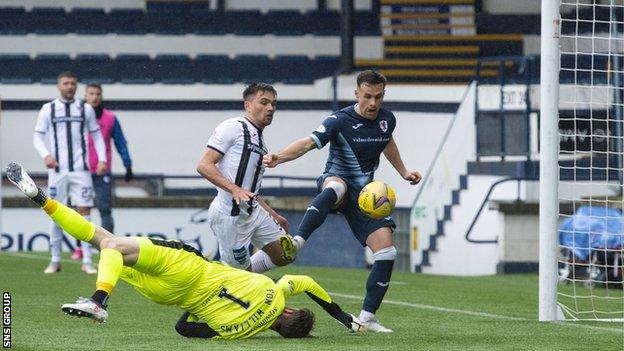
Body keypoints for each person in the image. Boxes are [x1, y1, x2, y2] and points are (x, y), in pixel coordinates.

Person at [6, 162, 364, 339]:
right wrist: (197, 306)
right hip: (169, 295)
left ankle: (99, 299)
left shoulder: (275, 291)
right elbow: (185, 329)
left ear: (289, 313)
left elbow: (305, 280)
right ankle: (42, 199)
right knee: (105, 244)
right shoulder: (236, 331)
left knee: (109, 243)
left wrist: (341, 316)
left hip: (189, 268)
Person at [263, 70, 422, 333]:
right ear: (356, 93)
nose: (373, 103)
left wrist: (403, 171)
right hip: (335, 182)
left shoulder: (386, 120)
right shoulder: (339, 120)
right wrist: (279, 157)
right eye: (368, 96)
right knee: (337, 186)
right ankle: (297, 242)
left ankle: (368, 318)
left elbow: (387, 142)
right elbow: (307, 143)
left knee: (387, 252)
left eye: (378, 97)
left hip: (365, 197)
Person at [196, 82, 297, 273]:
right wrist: (234, 189)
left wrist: (273, 214)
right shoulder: (233, 127)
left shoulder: (260, 142)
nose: (270, 108)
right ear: (247, 105)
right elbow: (204, 165)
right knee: (241, 280)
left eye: (273, 104)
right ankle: (235, 277)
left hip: (254, 212)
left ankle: (244, 273)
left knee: (286, 253)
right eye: (264, 102)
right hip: (229, 217)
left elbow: (250, 190)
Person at [33, 71, 107, 274]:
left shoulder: (85, 109)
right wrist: (46, 154)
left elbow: (97, 136)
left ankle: (87, 262)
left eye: (73, 83)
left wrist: (102, 159)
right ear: (59, 85)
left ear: (76, 86)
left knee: (85, 214)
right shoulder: (48, 109)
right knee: (55, 214)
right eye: (66, 83)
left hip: (81, 171)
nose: (69, 87)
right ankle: (55, 260)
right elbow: (37, 137)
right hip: (57, 172)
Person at [69, 84, 133, 261]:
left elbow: (121, 142)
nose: (95, 97)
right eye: (91, 93)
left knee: (105, 209)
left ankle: (109, 247)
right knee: (78, 211)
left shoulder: (110, 118)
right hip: (79, 171)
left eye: (98, 94)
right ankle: (79, 248)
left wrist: (128, 165)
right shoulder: (76, 116)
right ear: (85, 95)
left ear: (101, 96)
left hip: (102, 171)